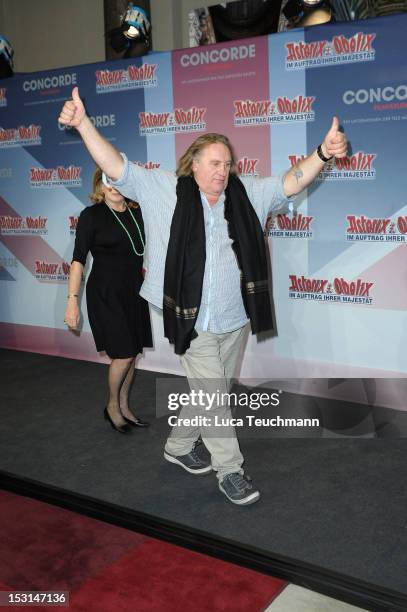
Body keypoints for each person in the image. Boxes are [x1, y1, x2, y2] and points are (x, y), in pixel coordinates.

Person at [59, 87, 347, 504]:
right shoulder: (162, 190)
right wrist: (84, 124)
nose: (222, 170)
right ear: (193, 164)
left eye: (227, 163)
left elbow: (290, 181)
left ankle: (178, 447)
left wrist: (321, 152)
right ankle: (230, 470)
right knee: (213, 393)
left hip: (235, 314)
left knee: (212, 390)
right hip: (188, 314)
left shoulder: (245, 194)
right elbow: (115, 165)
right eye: (214, 163)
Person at [64, 167, 153, 433]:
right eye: (108, 181)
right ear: (100, 186)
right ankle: (112, 405)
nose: (114, 186)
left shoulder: (139, 213)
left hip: (135, 290)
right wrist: (72, 300)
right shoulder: (92, 216)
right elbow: (78, 260)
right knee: (123, 354)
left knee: (133, 353)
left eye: (118, 180)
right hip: (106, 293)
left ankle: (125, 406)